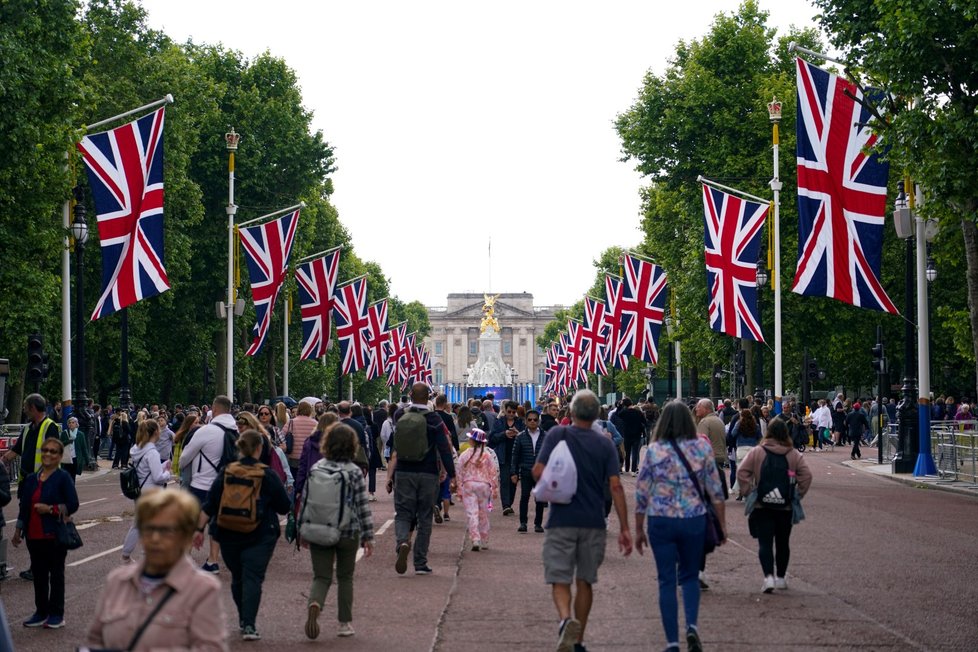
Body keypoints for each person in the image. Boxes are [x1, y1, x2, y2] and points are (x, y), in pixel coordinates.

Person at [533, 390, 632, 652]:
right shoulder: (605, 444)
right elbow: (615, 487)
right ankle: (578, 640)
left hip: (561, 518)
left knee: (559, 577)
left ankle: (565, 619)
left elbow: (538, 471)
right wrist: (624, 527)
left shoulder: (557, 434)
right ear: (597, 414)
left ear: (572, 413)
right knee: (585, 581)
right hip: (593, 520)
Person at [634, 400, 727, 652]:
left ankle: (672, 642)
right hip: (693, 518)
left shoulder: (654, 450)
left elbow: (642, 492)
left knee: (666, 581)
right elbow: (715, 491)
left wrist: (638, 528)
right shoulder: (701, 448)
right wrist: (722, 523)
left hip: (661, 519)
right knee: (689, 576)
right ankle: (692, 627)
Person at [87, 489, 228, 651]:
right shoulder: (117, 581)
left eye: (165, 530)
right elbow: (95, 640)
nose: (155, 538)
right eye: (148, 528)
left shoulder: (203, 589)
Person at [195, 429, 290, 641]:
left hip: (228, 533)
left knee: (238, 578)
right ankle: (249, 624)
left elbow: (210, 503)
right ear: (259, 448)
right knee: (252, 578)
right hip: (261, 534)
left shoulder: (227, 471)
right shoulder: (267, 474)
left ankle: (242, 618)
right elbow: (284, 506)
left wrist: (199, 529)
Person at [302, 424, 375, 640]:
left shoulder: (317, 469)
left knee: (321, 576)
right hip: (347, 530)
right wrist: (368, 536)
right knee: (345, 577)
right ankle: (344, 624)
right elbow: (362, 506)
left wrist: (302, 530)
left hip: (319, 528)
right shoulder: (353, 472)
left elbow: (306, 501)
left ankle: (315, 602)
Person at [737, 417, 812, 593]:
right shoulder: (793, 454)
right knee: (783, 542)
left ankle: (768, 577)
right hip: (785, 505)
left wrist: (749, 492)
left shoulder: (757, 452)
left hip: (762, 504)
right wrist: (797, 495)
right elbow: (806, 476)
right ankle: (780, 577)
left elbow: (742, 472)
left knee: (765, 543)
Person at [388, 382, 456, 576]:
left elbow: (394, 445)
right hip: (428, 473)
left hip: (403, 471)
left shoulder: (400, 416)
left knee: (402, 512)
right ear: (429, 397)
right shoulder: (434, 419)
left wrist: (391, 474)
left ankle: (402, 541)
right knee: (424, 517)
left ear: (410, 395)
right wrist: (452, 474)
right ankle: (420, 562)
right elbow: (444, 448)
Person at [12, 437, 79, 629]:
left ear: (59, 456)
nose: (48, 454)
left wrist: (51, 509)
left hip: (54, 535)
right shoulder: (32, 479)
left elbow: (73, 504)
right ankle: (41, 612)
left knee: (56, 575)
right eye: (45, 450)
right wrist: (18, 530)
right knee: (39, 576)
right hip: (33, 535)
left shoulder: (63, 478)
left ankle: (56, 613)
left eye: (53, 451)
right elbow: (25, 506)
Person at [180, 395, 237, 574]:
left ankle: (185, 561)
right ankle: (212, 560)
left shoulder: (206, 431)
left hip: (202, 485)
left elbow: (183, 460)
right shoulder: (235, 430)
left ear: (215, 408)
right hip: (225, 485)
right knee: (216, 525)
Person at [121, 419, 172, 563]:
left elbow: (145, 470)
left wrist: (161, 465)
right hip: (152, 493)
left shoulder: (137, 448)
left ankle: (126, 554)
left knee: (138, 524)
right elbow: (158, 477)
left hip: (141, 491)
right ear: (155, 432)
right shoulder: (152, 452)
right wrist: (167, 473)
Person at [455, 428, 499, 550]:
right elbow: (493, 472)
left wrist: (459, 489)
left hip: (468, 485)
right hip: (484, 486)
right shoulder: (487, 455)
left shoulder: (465, 454)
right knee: (483, 513)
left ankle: (475, 539)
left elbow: (459, 471)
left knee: (472, 513)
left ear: (472, 440)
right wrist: (494, 489)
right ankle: (484, 539)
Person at [4, 394, 60, 488]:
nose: (24, 410)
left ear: (33, 408)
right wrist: (2, 461)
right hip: (27, 482)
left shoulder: (50, 427)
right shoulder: (27, 428)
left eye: (25, 407)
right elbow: (15, 450)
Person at [510, 409, 547, 533]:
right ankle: (523, 523)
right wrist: (513, 472)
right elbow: (515, 455)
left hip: (541, 473)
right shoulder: (520, 437)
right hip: (526, 471)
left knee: (540, 499)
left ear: (538, 421)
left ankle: (538, 524)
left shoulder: (545, 436)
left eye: (535, 419)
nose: (532, 422)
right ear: (525, 421)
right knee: (524, 497)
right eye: (530, 419)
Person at [489, 400, 524, 515]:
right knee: (504, 481)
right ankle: (506, 505)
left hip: (516, 457)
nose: (511, 414)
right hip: (503, 455)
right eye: (509, 411)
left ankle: (509, 503)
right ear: (505, 410)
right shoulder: (499, 422)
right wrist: (504, 434)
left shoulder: (519, 423)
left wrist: (517, 434)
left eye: (513, 412)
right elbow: (492, 438)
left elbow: (525, 437)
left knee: (513, 481)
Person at [284, 401, 320, 477]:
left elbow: (281, 435)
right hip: (309, 457)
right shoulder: (315, 423)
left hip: (293, 456)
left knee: (294, 478)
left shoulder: (291, 422)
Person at [617, 397, 648, 476]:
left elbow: (618, 414)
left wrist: (619, 405)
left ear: (624, 405)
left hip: (627, 434)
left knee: (627, 452)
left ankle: (627, 468)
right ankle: (633, 470)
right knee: (635, 452)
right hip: (637, 434)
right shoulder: (638, 412)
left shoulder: (624, 412)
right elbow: (645, 422)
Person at [60, 416, 80, 480]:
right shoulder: (64, 433)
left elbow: (83, 448)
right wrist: (68, 441)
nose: (71, 424)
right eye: (69, 423)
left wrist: (87, 461)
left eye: (73, 422)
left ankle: (71, 489)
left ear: (76, 424)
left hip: (75, 458)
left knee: (73, 476)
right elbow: (60, 444)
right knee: (66, 476)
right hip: (66, 458)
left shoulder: (80, 434)